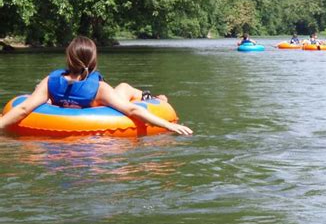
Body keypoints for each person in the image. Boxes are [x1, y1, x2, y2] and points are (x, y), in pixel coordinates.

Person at [0, 36, 193, 135]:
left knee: (121, 90)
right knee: (124, 88)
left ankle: (152, 98)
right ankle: (154, 99)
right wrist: (167, 124)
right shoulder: (100, 89)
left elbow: (24, 108)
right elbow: (132, 110)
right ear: (93, 61)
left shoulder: (50, 82)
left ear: (68, 58)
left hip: (66, 107)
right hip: (102, 108)